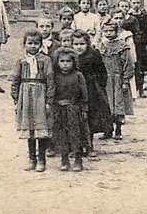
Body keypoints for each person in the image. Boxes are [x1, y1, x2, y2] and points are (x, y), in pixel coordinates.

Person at [11, 30, 55, 173]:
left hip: (40, 95)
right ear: (24, 45)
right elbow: (15, 81)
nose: (33, 46)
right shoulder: (21, 62)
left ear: (41, 45)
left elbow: (50, 80)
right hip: (26, 97)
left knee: (41, 129)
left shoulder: (46, 60)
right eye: (30, 43)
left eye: (36, 43)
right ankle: (32, 158)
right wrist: (16, 100)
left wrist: (49, 101)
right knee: (29, 129)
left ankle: (42, 159)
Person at [71, 30, 112, 158]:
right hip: (73, 90)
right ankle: (76, 147)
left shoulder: (94, 54)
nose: (79, 47)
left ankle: (89, 146)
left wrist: (99, 87)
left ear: (87, 44)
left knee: (89, 118)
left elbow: (102, 72)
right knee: (74, 118)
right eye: (76, 44)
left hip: (91, 91)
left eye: (82, 44)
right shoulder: (69, 56)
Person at [50, 47, 89, 172]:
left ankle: (78, 159)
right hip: (59, 109)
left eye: (68, 61)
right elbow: (52, 92)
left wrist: (84, 109)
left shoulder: (78, 75)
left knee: (76, 134)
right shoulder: (55, 76)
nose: (65, 64)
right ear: (57, 62)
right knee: (61, 134)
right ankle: (64, 159)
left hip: (74, 109)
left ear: (74, 62)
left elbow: (84, 94)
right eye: (62, 61)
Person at [99, 19, 134, 141]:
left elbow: (128, 65)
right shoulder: (101, 46)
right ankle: (108, 130)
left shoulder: (122, 46)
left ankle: (118, 129)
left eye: (111, 31)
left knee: (119, 105)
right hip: (105, 80)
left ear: (117, 31)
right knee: (106, 105)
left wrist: (125, 81)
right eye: (106, 31)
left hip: (118, 79)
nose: (108, 33)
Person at [123, 0, 147, 98]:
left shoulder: (143, 15)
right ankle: (133, 89)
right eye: (134, 3)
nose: (136, 5)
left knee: (140, 66)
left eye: (138, 3)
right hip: (128, 43)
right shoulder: (124, 17)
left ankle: (141, 89)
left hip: (140, 44)